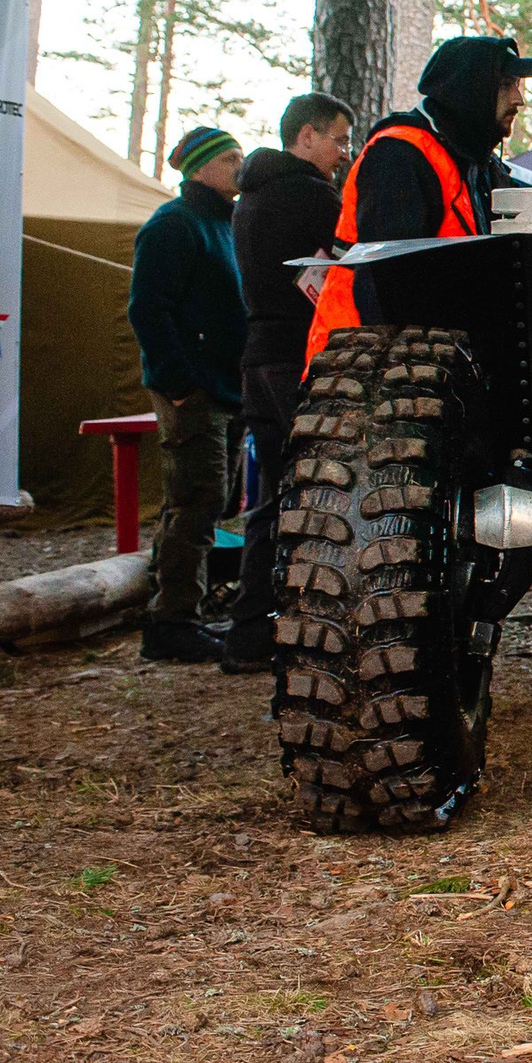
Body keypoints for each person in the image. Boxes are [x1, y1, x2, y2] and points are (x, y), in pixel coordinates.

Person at [305, 35, 532, 363]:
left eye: (516, 84)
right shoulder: (399, 154)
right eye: (505, 85)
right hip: (363, 364)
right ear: (468, 90)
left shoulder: (479, 166)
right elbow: (391, 289)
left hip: (430, 361)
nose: (519, 99)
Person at [221, 91, 354, 674]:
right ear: (306, 136)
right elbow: (353, 258)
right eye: (338, 140)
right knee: (321, 494)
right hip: (298, 358)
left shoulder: (250, 196)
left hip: (257, 355)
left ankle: (250, 631)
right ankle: (312, 627)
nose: (344, 153)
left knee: (269, 501)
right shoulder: (310, 195)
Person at [126, 126, 248, 661]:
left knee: (207, 502)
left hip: (225, 386)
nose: (241, 166)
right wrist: (177, 383)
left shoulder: (227, 224)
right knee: (197, 503)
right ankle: (172, 624)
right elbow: (148, 309)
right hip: (193, 390)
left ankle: (169, 604)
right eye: (230, 158)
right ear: (200, 168)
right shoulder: (174, 224)